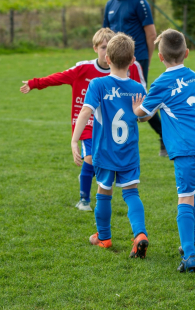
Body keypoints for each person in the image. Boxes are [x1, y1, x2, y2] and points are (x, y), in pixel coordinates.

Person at [20, 28, 145, 212]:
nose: (105, 51)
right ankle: (85, 199)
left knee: (98, 163)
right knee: (91, 158)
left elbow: (140, 93)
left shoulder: (127, 70)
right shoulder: (83, 68)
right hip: (87, 125)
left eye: (109, 47)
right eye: (103, 47)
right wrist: (34, 83)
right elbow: (58, 78)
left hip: (110, 128)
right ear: (95, 48)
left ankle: (92, 184)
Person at [133, 29, 195, 273]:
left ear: (160, 57)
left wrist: (136, 108)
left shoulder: (161, 83)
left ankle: (190, 256)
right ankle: (193, 244)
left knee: (184, 196)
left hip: (187, 146)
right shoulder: (192, 74)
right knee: (191, 193)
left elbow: (144, 113)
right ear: (187, 53)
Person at [71, 33, 150, 259]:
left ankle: (104, 238)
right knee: (131, 193)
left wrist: (74, 140)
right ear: (133, 60)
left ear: (107, 58)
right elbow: (145, 118)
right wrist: (138, 113)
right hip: (129, 152)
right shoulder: (137, 88)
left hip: (104, 152)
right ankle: (140, 235)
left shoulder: (98, 84)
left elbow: (86, 111)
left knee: (104, 193)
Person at [103, 0, 166, 157]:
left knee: (140, 100)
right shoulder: (109, 6)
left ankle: (164, 135)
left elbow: (151, 34)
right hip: (115, 62)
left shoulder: (139, 2)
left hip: (137, 61)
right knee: (115, 100)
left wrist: (145, 59)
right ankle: (117, 144)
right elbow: (105, 35)